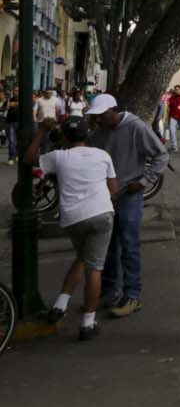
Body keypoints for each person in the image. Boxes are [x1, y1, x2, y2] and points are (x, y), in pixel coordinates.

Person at [28, 116, 116, 341]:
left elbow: (28, 159)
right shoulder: (102, 155)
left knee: (82, 257)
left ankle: (61, 303)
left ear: (65, 137)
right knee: (94, 268)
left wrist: (41, 131)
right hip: (101, 213)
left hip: (74, 218)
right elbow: (113, 187)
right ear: (87, 135)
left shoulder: (59, 157)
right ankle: (88, 322)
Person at [89, 93, 170, 319]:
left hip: (129, 195)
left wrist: (143, 181)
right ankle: (109, 290)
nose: (98, 120)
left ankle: (132, 295)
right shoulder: (99, 131)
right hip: (107, 197)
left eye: (100, 116)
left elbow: (161, 156)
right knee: (109, 245)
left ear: (112, 111)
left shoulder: (136, 127)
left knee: (129, 244)